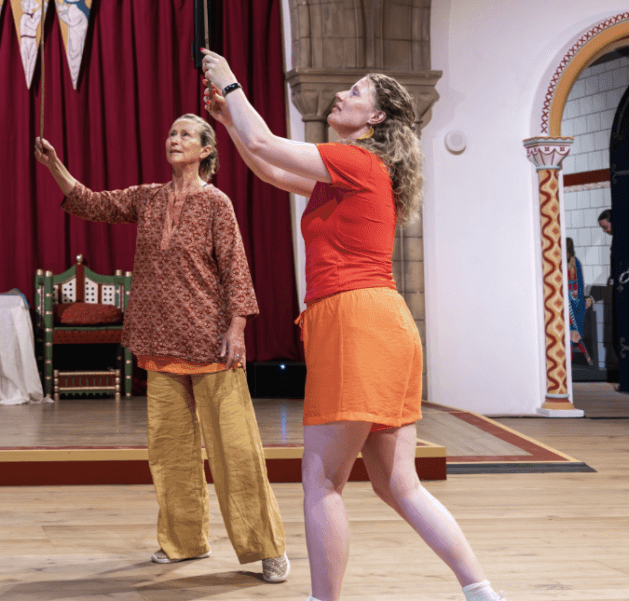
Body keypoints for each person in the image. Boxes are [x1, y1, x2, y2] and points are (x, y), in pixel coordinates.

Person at [199, 49, 505, 601]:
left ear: (377, 119)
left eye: (357, 93)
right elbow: (268, 166)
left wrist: (233, 83)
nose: (341, 96)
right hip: (384, 324)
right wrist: (227, 122)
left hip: (356, 321)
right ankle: (481, 592)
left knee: (321, 482)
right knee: (397, 484)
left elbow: (268, 144)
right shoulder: (354, 171)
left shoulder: (357, 161)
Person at [33, 114, 290, 583]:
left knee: (235, 451)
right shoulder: (148, 197)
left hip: (211, 343)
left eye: (185, 134)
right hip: (158, 340)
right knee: (171, 453)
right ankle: (185, 542)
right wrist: (56, 166)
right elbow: (91, 202)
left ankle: (265, 547)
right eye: (171, 133)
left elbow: (236, 269)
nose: (174, 139)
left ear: (207, 150)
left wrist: (237, 329)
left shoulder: (216, 204)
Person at [566, 237, 593, 362]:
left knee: (575, 330)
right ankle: (571, 361)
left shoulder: (575, 262)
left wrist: (578, 293)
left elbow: (580, 282)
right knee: (568, 332)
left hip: (575, 301)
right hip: (566, 299)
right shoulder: (561, 262)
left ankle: (586, 357)